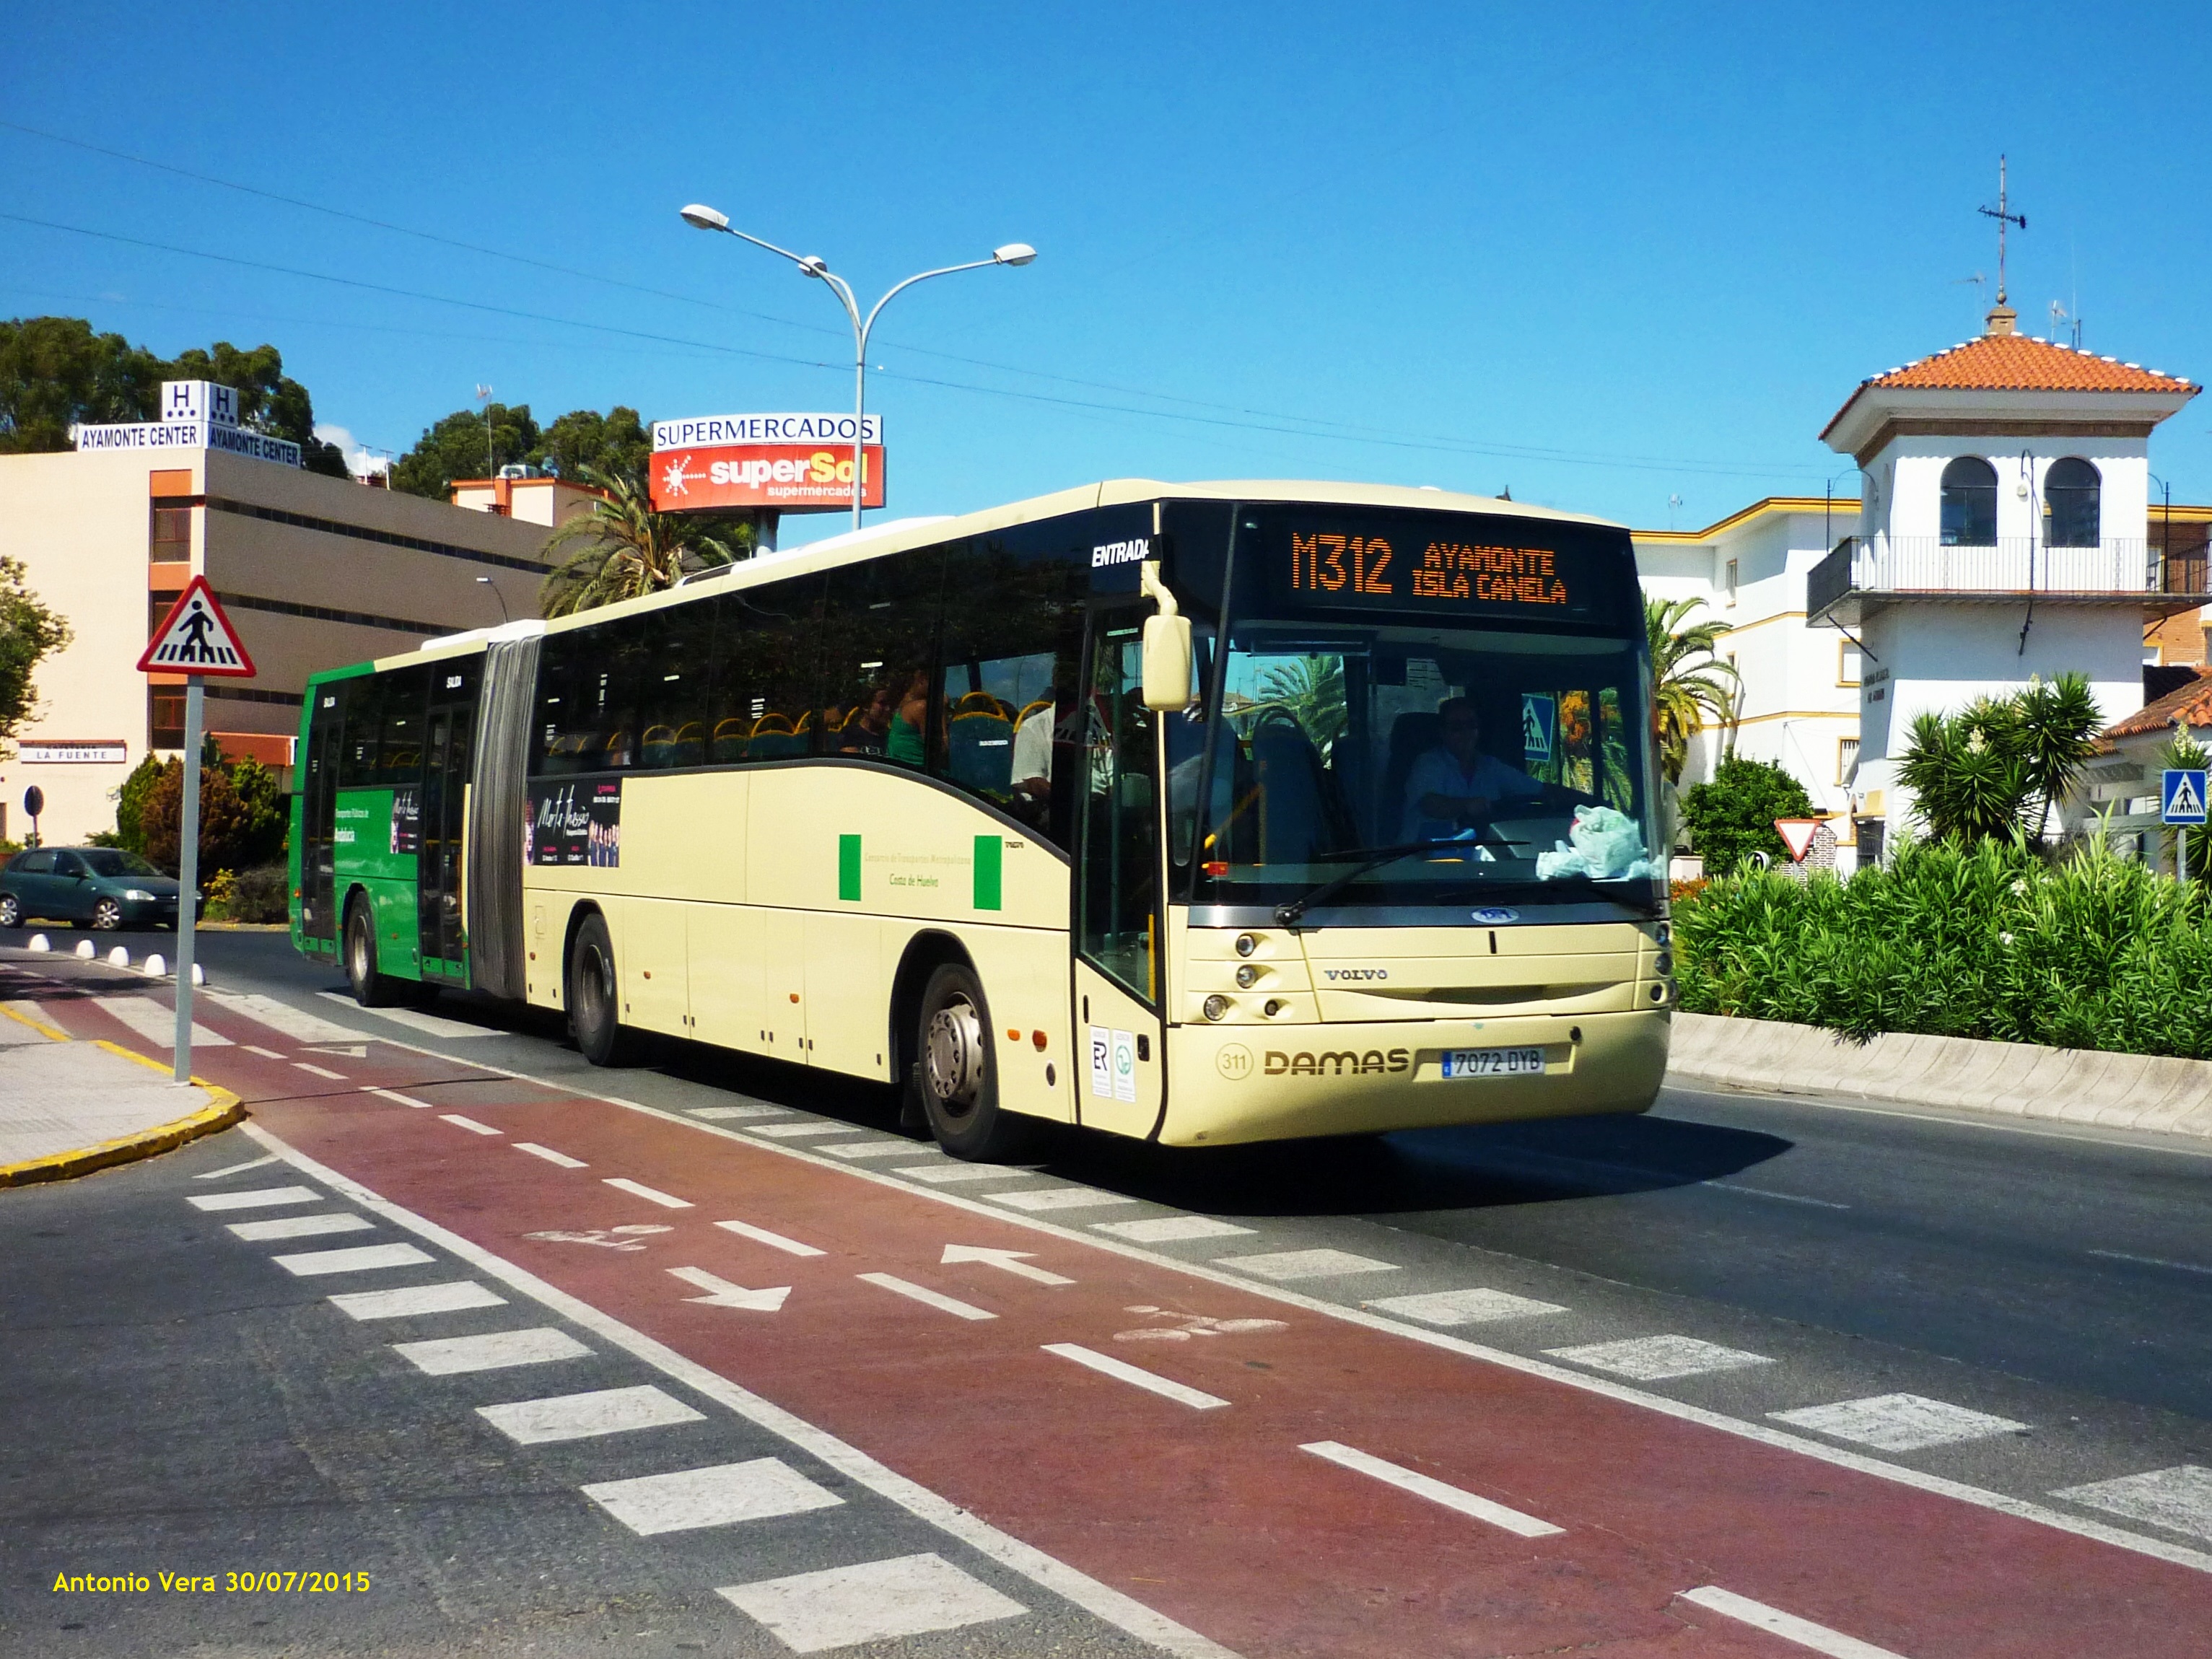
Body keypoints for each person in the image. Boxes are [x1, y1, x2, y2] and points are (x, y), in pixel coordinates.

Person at [1401, 696, 1545, 842]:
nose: (1466, 732)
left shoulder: (1491, 767)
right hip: (1422, 853)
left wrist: (1558, 796)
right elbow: (1430, 805)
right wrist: (1466, 805)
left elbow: (1538, 789)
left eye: (1471, 725)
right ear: (1443, 732)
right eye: (1457, 727)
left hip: (1477, 854)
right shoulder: (1428, 764)